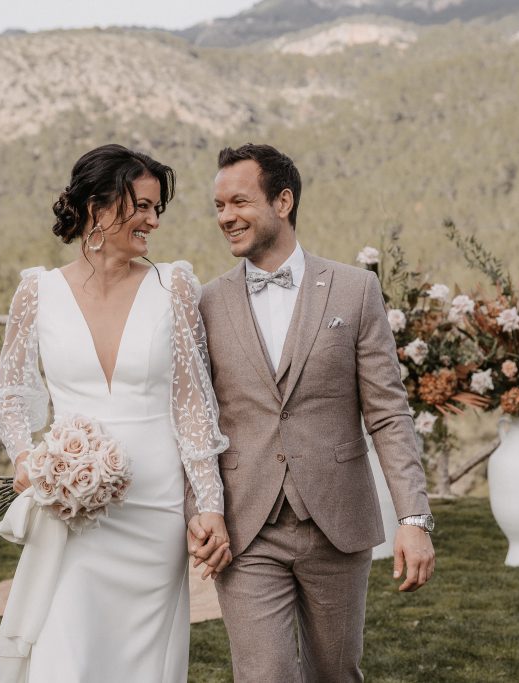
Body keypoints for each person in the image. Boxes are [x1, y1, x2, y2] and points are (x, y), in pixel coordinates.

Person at [0, 144, 232, 683]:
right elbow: (12, 395)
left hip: (156, 508)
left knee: (142, 659)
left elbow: (192, 403)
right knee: (66, 649)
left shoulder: (175, 287)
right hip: (73, 509)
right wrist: (27, 458)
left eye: (157, 209)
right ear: (97, 206)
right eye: (140, 206)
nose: (152, 221)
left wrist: (207, 502)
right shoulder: (37, 292)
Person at [187, 143, 436, 682]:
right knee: (264, 675)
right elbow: (193, 418)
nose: (225, 216)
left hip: (337, 522)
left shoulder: (355, 290)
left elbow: (389, 414)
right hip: (246, 525)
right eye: (218, 205)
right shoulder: (204, 302)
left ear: (282, 201)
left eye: (238, 202)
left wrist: (413, 519)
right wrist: (198, 506)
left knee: (336, 672)